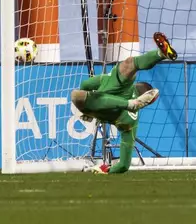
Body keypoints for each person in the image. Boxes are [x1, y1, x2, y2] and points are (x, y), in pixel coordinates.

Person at [71, 32, 177, 174]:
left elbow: (85, 83)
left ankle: (159, 54)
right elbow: (124, 166)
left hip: (98, 105)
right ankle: (160, 55)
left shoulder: (114, 81)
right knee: (129, 68)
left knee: (130, 64)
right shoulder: (133, 123)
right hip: (120, 116)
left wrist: (84, 113)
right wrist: (106, 170)